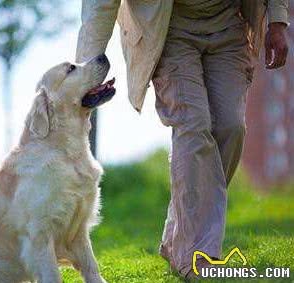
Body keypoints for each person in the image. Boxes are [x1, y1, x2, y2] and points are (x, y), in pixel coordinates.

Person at [75, 0, 289, 279]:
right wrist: (86, 69)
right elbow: (100, 4)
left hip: (229, 25)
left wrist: (278, 21)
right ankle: (197, 255)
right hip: (169, 29)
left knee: (231, 128)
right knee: (193, 126)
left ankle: (178, 235)